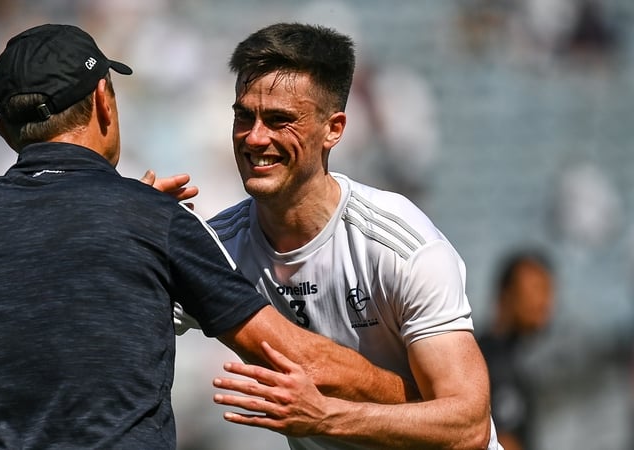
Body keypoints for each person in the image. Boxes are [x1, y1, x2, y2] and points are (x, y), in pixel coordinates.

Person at [0, 23, 422, 450]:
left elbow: (39, 372)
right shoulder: (150, 218)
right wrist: (412, 402)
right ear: (103, 102)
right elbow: (288, 354)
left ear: (6, 131)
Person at [183, 22, 499, 449]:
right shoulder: (217, 248)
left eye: (280, 120)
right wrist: (130, 226)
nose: (255, 137)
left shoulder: (398, 246)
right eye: (244, 116)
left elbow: (468, 428)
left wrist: (326, 417)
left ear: (333, 128)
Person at [477, 250, 555, 450]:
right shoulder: (496, 361)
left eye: (549, 291)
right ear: (507, 294)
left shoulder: (509, 356)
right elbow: (503, 441)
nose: (545, 302)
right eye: (538, 288)